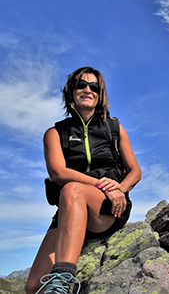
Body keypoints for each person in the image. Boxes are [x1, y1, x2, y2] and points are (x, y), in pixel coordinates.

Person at [25, 67, 141, 294]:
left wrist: (120, 189)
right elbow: (57, 172)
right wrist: (101, 184)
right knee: (33, 287)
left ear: (100, 95)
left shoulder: (114, 127)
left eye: (94, 86)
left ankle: (63, 278)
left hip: (107, 207)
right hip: (69, 208)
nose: (88, 89)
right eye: (82, 85)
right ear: (71, 93)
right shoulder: (55, 133)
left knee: (72, 190)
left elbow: (135, 170)